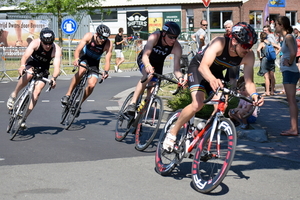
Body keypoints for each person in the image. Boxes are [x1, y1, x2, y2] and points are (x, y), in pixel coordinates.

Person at [163, 22, 264, 152]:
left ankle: (203, 133)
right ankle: (172, 133)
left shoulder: (248, 55)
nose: (247, 49)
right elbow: (203, 66)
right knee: (197, 104)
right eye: (245, 45)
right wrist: (211, 79)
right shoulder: (220, 43)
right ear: (234, 40)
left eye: (250, 46)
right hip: (199, 68)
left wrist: (255, 95)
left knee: (222, 105)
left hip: (215, 73)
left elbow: (249, 82)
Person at [126, 21, 186, 114]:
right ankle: (132, 103)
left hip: (158, 65)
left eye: (175, 37)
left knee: (152, 93)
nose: (173, 40)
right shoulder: (154, 37)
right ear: (164, 34)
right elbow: (145, 55)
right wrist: (147, 65)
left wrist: (181, 78)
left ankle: (139, 120)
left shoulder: (177, 47)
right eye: (171, 37)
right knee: (148, 75)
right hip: (145, 60)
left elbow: (177, 69)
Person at [6, 27, 61, 128]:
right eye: (45, 43)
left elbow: (57, 67)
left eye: (50, 43)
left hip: (44, 69)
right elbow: (25, 57)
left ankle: (23, 118)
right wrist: (22, 66)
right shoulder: (35, 43)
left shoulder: (56, 49)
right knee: (29, 74)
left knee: (37, 92)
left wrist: (54, 78)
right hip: (32, 63)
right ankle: (14, 94)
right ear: (41, 40)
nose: (48, 46)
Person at [61, 24, 113, 117]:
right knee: (81, 71)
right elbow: (77, 50)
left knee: (92, 85)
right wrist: (76, 59)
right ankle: (68, 95)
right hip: (84, 57)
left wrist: (106, 71)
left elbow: (107, 60)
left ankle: (79, 103)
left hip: (94, 63)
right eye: (101, 37)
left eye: (105, 38)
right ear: (97, 34)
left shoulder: (108, 43)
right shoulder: (89, 36)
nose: (103, 40)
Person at [275, 16, 299, 136]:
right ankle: (293, 128)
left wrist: (289, 62)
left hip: (290, 71)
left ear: (282, 25)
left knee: (291, 101)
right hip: (289, 71)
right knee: (291, 100)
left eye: (276, 25)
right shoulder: (287, 37)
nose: (275, 27)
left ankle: (294, 129)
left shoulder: (288, 37)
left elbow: (294, 53)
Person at [256, 32, 281, 96]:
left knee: (266, 77)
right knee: (272, 76)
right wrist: (275, 54)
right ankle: (272, 91)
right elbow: (279, 48)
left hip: (265, 60)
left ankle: (267, 92)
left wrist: (259, 57)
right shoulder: (271, 43)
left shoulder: (262, 44)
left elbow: (258, 50)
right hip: (272, 60)